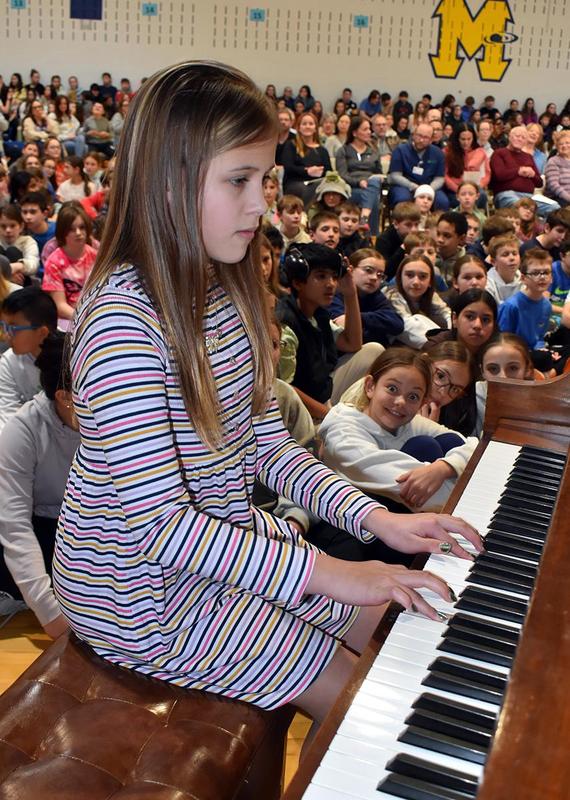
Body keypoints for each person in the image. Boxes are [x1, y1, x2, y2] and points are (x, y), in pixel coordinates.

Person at [52, 63, 479, 723]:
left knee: (395, 611)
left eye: (266, 179)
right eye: (239, 181)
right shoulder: (120, 325)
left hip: (217, 551)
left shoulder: (225, 292)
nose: (262, 204)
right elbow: (160, 527)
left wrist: (379, 520)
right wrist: (335, 573)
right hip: (138, 594)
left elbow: (269, 449)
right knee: (362, 705)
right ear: (169, 181)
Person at [320, 347, 477, 512]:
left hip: (411, 509)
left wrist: (444, 467)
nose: (401, 402)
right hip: (353, 523)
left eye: (413, 397)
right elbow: (419, 490)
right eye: (392, 389)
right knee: (424, 446)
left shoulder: (408, 422)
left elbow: (472, 446)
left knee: (449, 442)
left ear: (422, 402)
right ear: (370, 386)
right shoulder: (344, 433)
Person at [0, 331, 78, 637]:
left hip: (91, 530)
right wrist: (50, 613)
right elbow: (15, 526)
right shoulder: (23, 431)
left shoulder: (119, 419)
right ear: (64, 396)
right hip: (45, 529)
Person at [0, 287, 57, 431]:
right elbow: (7, 416)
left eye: (13, 329)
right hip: (29, 440)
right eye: (3, 326)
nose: (6, 335)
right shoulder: (8, 363)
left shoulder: (71, 356)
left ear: (42, 332)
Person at [330, 248, 404, 347]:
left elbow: (397, 324)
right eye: (368, 270)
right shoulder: (335, 292)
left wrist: (361, 318)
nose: (374, 278)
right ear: (351, 270)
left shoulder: (375, 295)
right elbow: (343, 327)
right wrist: (377, 327)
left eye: (380, 275)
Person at [42, 203, 97, 320]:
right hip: (67, 319)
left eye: (82, 227)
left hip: (95, 311)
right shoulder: (54, 262)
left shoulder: (96, 256)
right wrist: (85, 320)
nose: (78, 233)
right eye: (71, 229)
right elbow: (60, 306)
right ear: (63, 232)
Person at [382, 255, 451, 348]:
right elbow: (407, 326)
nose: (416, 282)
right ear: (400, 278)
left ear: (430, 281)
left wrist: (452, 334)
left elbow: (447, 313)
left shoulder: (431, 295)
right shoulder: (391, 295)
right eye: (409, 275)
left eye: (422, 276)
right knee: (417, 319)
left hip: (424, 344)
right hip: (395, 345)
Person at [474, 333, 535, 436]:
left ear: (527, 369)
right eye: (493, 369)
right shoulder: (472, 396)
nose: (503, 377)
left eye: (513, 368)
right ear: (482, 371)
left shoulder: (539, 399)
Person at [490, 127, 557, 217]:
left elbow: (539, 183)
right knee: (521, 207)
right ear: (509, 137)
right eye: (517, 136)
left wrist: (533, 175)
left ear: (525, 142)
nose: (520, 139)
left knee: (554, 208)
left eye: (523, 138)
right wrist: (518, 171)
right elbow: (499, 175)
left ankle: (541, 230)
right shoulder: (499, 153)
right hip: (507, 194)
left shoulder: (528, 157)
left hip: (529, 197)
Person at [498, 248, 553, 352]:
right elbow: (503, 341)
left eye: (546, 272)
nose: (542, 277)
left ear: (551, 278)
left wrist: (541, 349)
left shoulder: (547, 305)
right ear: (523, 278)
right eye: (535, 273)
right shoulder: (511, 306)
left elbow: (540, 337)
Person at [335, 116, 383, 234]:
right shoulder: (344, 150)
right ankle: (371, 235)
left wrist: (377, 179)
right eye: (365, 129)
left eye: (369, 129)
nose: (369, 132)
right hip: (352, 187)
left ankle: (365, 220)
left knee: (374, 182)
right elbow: (342, 174)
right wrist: (359, 182)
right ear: (355, 133)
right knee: (373, 200)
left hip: (371, 184)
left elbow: (379, 172)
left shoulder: (373, 151)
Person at [388, 123, 448, 210]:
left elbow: (439, 178)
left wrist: (428, 189)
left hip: (430, 186)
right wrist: (413, 187)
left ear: (431, 140)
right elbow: (395, 175)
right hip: (405, 186)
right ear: (413, 135)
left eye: (426, 137)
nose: (421, 140)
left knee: (442, 201)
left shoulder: (438, 153)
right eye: (419, 135)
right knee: (402, 199)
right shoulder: (400, 150)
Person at [281, 112, 332, 205]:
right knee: (307, 189)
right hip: (295, 182)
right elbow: (288, 167)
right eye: (304, 124)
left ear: (315, 128)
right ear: (299, 128)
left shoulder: (322, 150)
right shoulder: (291, 145)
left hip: (317, 182)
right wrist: (307, 171)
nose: (307, 126)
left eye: (311, 124)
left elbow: (329, 171)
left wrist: (320, 172)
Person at [444, 124, 490, 207]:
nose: (466, 142)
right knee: (461, 200)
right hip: (455, 189)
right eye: (463, 139)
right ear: (457, 139)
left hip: (474, 187)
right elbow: (445, 176)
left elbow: (487, 174)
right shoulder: (447, 152)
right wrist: (458, 190)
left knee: (482, 196)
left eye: (469, 139)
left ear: (474, 138)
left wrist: (480, 185)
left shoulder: (480, 152)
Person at [0, 204, 40, 285]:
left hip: (22, 284)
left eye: (12, 226)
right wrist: (7, 275)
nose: (8, 230)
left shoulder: (28, 241)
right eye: (3, 226)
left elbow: (34, 265)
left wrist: (16, 267)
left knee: (12, 251)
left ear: (21, 226)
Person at [485, 234, 522, 304]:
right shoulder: (487, 284)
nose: (512, 258)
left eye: (515, 253)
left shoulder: (524, 281)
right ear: (493, 262)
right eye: (505, 254)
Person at [545, 130, 570, 207]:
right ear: (556, 146)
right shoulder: (553, 161)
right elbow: (553, 185)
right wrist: (569, 198)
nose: (564, 146)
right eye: (560, 144)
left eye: (567, 143)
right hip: (559, 198)